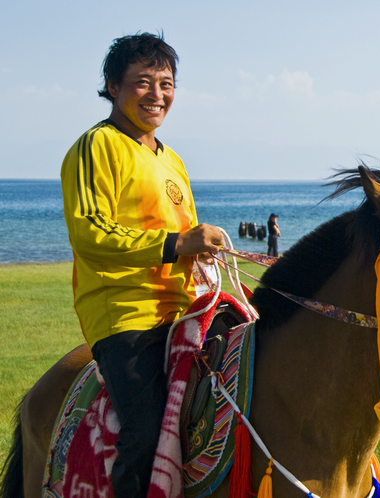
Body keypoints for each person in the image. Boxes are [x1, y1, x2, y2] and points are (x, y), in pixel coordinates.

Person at [60, 32, 224, 498]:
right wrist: (176, 243)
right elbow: (91, 233)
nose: (157, 95)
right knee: (150, 436)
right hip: (125, 315)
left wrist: (200, 250)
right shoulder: (97, 146)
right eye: (143, 83)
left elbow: (183, 242)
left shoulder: (173, 161)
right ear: (113, 86)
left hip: (182, 309)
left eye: (166, 83)